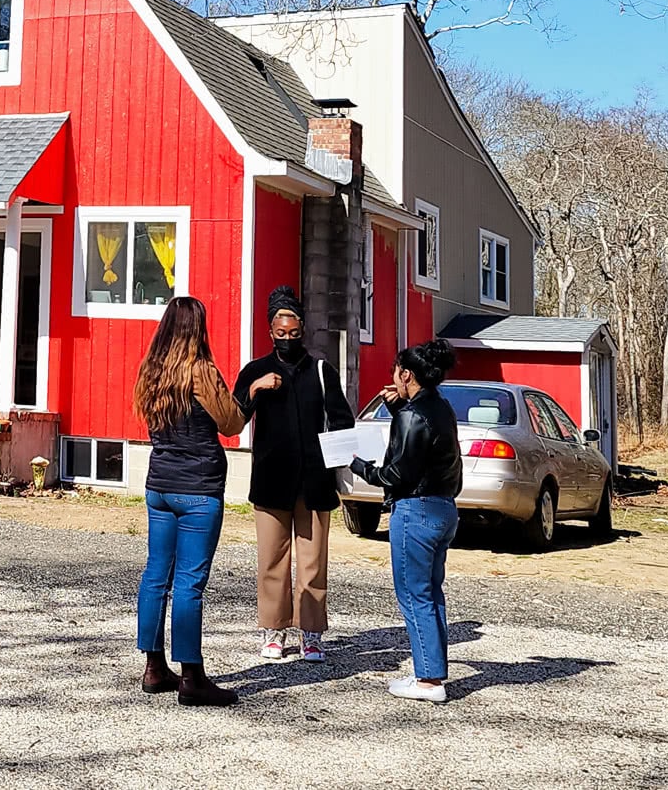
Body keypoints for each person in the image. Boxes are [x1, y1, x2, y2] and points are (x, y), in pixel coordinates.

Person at [132, 296, 246, 707]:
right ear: (198, 328)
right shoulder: (201, 371)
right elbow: (231, 423)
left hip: (159, 484)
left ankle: (153, 666)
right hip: (198, 488)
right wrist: (248, 393)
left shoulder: (152, 371)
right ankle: (192, 677)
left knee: (155, 577)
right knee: (189, 583)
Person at [233, 286, 354, 663]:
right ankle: (273, 630)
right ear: (270, 331)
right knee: (272, 559)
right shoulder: (255, 370)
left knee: (314, 561)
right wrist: (255, 388)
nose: (286, 339)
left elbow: (342, 421)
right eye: (279, 334)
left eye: (293, 333)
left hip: (314, 483)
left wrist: (338, 458)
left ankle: (312, 632)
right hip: (270, 480)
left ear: (303, 329)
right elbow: (234, 419)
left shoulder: (320, 370)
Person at [350, 339, 464, 703]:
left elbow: (397, 472)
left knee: (414, 595)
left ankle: (428, 680)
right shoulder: (440, 407)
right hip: (444, 507)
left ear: (406, 374)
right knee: (431, 593)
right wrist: (398, 410)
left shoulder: (414, 415)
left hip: (416, 511)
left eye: (394, 372)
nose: (392, 378)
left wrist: (357, 465)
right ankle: (432, 670)